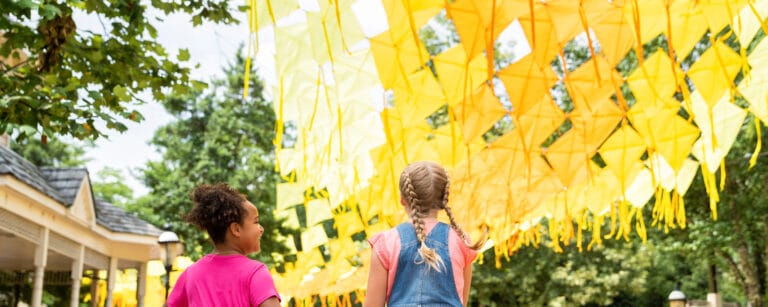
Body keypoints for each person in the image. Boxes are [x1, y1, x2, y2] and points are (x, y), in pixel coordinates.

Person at [364, 161, 487, 307]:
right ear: (443, 200)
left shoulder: (386, 243)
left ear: (403, 200)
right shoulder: (461, 241)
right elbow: (462, 302)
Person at [167, 183, 281, 307]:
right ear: (236, 229)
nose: (261, 229)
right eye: (256, 222)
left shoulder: (190, 274)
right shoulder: (256, 273)